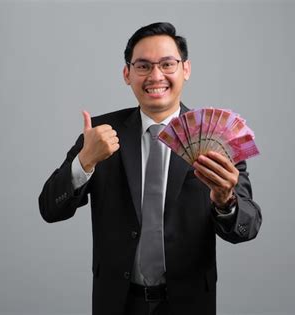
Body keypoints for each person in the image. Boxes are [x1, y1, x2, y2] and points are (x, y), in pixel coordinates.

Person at [39, 22, 262, 315]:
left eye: (167, 64)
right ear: (126, 74)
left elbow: (247, 227)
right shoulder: (100, 135)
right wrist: (85, 162)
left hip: (190, 303)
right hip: (117, 302)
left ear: (186, 69)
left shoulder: (218, 139)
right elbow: (50, 209)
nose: (156, 76)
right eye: (143, 66)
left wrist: (226, 201)